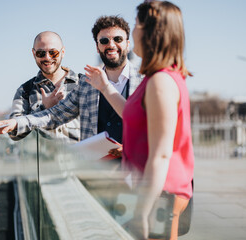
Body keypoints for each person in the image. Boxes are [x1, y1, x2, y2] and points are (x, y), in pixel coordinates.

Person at [84, 1, 194, 239]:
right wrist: (105, 88)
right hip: (152, 189)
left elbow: (161, 154)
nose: (133, 32)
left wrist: (143, 210)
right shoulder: (156, 77)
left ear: (151, 32)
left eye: (136, 25)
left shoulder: (160, 82)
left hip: (159, 193)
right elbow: (137, 118)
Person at [0, 16, 142, 146]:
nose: (111, 45)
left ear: (127, 44)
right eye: (104, 40)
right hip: (95, 172)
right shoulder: (86, 84)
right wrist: (15, 123)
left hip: (136, 170)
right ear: (97, 47)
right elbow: (53, 115)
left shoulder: (144, 80)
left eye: (118, 39)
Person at [9, 31, 80, 142]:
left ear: (63, 52)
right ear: (33, 54)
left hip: (83, 159)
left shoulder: (85, 84)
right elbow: (13, 133)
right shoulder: (25, 91)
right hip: (45, 159)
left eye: (53, 53)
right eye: (41, 53)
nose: (47, 58)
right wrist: (43, 108)